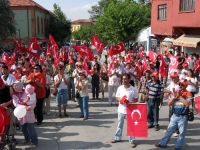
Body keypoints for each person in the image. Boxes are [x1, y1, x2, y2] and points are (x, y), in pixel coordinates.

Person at [155, 80, 192, 150]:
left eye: (182, 85)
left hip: (183, 116)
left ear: (186, 86)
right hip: (174, 115)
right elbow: (169, 104)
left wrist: (180, 97)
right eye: (180, 84)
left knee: (181, 133)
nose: (180, 86)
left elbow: (187, 104)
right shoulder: (176, 92)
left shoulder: (188, 93)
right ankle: (163, 144)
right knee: (169, 130)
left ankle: (178, 147)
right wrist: (174, 99)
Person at [111, 74, 138, 148]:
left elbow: (136, 99)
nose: (124, 80)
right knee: (119, 125)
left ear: (129, 80)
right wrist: (121, 100)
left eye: (125, 79)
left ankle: (132, 140)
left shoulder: (133, 89)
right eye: (123, 79)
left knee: (131, 126)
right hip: (121, 110)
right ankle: (117, 138)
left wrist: (130, 102)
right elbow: (117, 97)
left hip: (130, 110)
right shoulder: (120, 88)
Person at [12, 81, 38, 147]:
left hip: (29, 113)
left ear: (19, 86)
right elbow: (15, 104)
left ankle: (34, 142)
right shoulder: (14, 94)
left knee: (31, 128)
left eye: (15, 86)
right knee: (24, 129)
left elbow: (33, 102)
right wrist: (24, 106)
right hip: (21, 115)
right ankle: (27, 140)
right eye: (13, 86)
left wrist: (30, 107)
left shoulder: (28, 91)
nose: (14, 87)